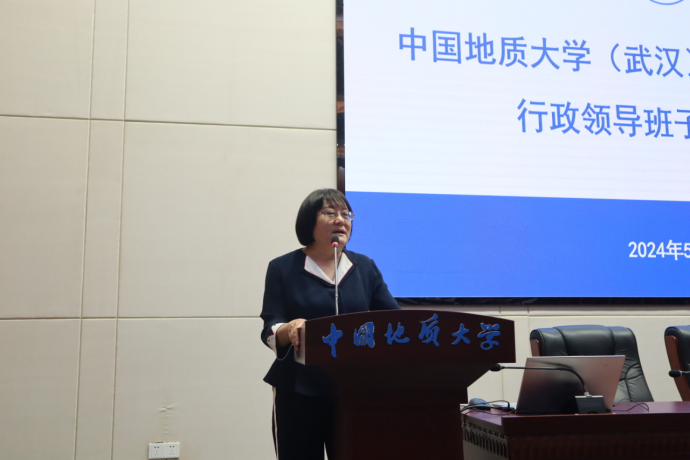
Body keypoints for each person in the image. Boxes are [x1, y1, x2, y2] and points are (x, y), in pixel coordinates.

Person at [260, 188, 400, 460]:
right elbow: (270, 325)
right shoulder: (283, 268)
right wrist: (289, 329)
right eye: (329, 213)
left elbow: (394, 320)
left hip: (354, 388)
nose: (340, 219)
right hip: (298, 388)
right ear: (308, 221)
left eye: (346, 214)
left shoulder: (364, 267)